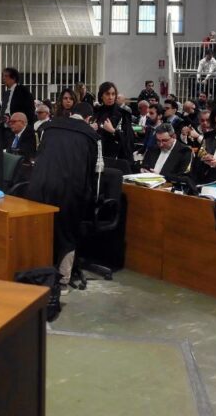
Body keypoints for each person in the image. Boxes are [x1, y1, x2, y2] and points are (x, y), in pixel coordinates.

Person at [26, 103, 100, 293]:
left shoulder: (49, 127)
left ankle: (38, 275)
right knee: (67, 234)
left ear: (71, 113)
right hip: (69, 190)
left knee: (41, 230)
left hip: (39, 185)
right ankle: (62, 282)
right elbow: (96, 172)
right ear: (88, 118)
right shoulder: (91, 136)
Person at [93, 81, 135, 168]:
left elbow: (129, 140)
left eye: (113, 94)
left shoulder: (123, 114)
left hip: (117, 158)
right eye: (107, 94)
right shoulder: (96, 112)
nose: (110, 97)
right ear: (101, 95)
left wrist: (113, 131)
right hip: (98, 155)